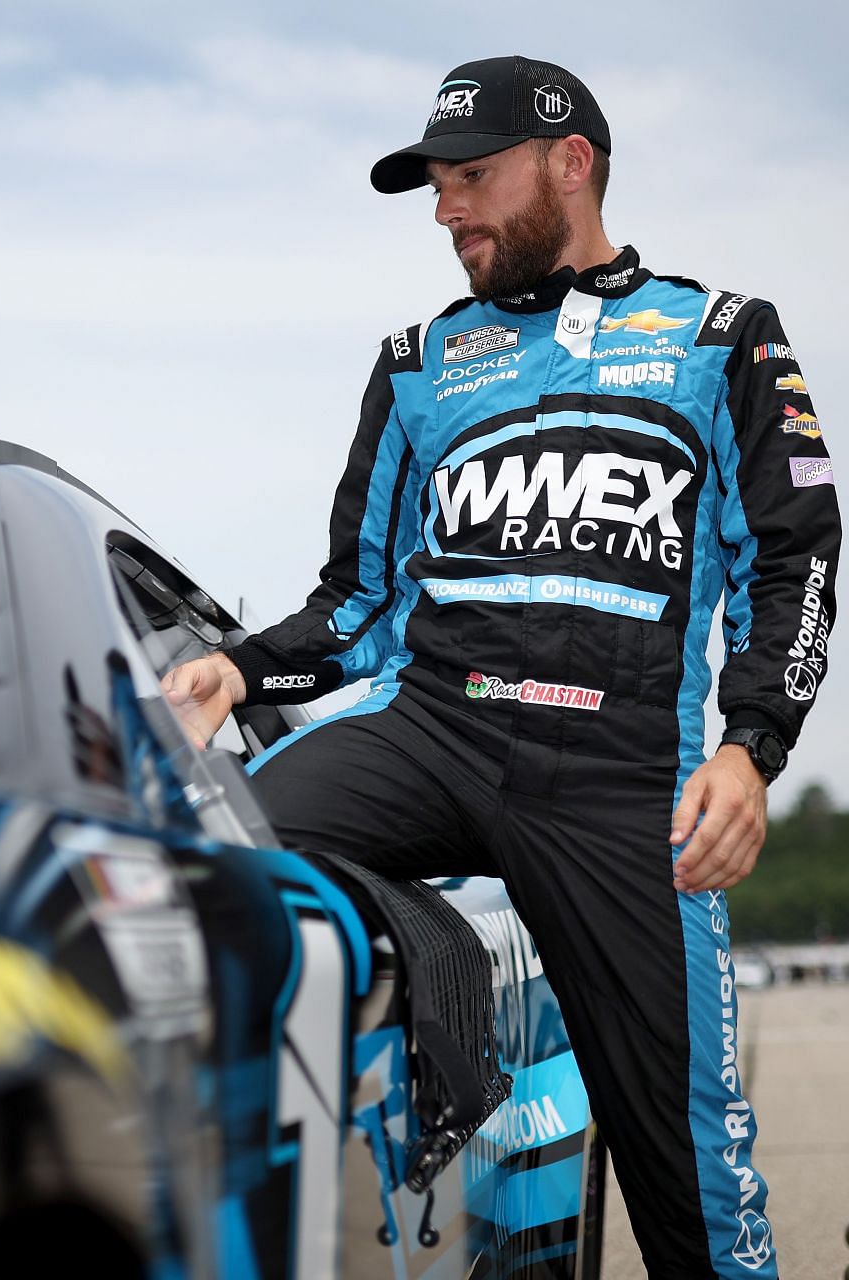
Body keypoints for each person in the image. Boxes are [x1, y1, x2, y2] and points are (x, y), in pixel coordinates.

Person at [161, 55, 837, 1277]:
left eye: (470, 177)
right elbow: (357, 602)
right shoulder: (419, 360)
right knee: (221, 854)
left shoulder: (723, 337)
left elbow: (796, 566)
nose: (445, 209)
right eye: (434, 185)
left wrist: (752, 750)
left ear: (569, 164)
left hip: (627, 778)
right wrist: (237, 671)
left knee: (691, 1182)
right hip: (436, 728)